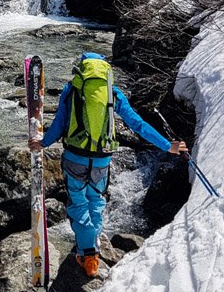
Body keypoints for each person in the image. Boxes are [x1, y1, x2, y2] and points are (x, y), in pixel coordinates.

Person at [28, 52, 187, 278]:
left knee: (78, 204)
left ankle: (88, 254)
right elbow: (137, 124)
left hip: (75, 157)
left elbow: (59, 125)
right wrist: (167, 145)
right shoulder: (113, 92)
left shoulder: (72, 88)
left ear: (82, 69)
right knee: (95, 200)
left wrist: (42, 143)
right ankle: (92, 243)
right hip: (102, 159)